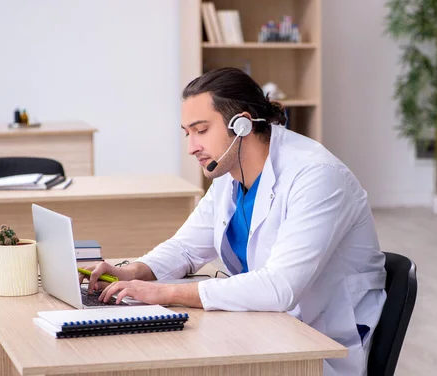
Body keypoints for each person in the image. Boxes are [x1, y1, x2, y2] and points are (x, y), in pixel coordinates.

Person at [80, 67, 387, 376]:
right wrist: (134, 271)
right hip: (266, 327)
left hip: (319, 343)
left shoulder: (317, 175)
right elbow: (186, 248)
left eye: (201, 130)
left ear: (241, 124)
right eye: (188, 133)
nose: (191, 147)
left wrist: (166, 293)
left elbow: (279, 287)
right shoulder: (230, 176)